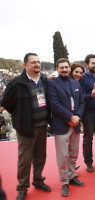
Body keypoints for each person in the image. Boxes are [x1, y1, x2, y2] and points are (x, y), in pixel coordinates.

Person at [1, 53, 51, 200]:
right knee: (25, 159)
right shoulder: (16, 82)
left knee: (40, 156)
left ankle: (38, 180)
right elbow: (5, 103)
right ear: (25, 65)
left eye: (38, 62)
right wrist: (19, 116)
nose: (37, 65)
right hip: (26, 128)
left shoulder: (44, 79)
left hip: (43, 126)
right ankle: (22, 187)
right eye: (33, 62)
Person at [48, 58, 85, 197]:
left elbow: (82, 102)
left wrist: (77, 117)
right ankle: (64, 182)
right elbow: (54, 104)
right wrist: (70, 117)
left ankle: (71, 176)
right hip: (62, 124)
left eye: (66, 67)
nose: (64, 69)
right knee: (63, 156)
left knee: (73, 153)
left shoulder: (75, 83)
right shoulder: (51, 83)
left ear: (69, 68)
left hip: (75, 124)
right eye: (61, 67)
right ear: (57, 68)